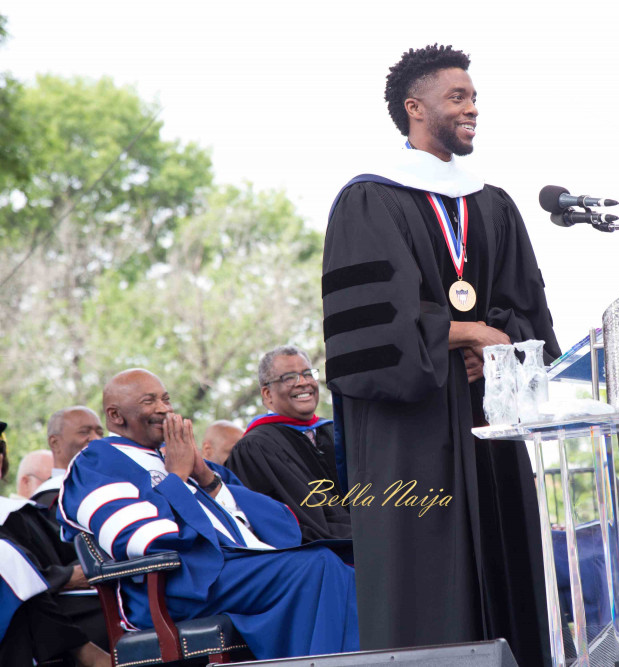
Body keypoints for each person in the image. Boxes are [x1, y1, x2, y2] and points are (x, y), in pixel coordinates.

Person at [323, 44, 560, 667]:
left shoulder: (491, 203)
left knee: (511, 579)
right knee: (427, 587)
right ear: (414, 108)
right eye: (458, 97)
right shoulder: (368, 200)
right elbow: (370, 334)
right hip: (412, 431)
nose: (473, 108)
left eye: (474, 97)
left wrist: (500, 342)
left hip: (488, 420)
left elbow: (524, 307)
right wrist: (463, 334)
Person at [58, 369, 359, 660]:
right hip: (178, 583)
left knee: (350, 566)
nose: (164, 409)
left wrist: (203, 475)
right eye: (149, 401)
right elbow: (145, 539)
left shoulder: (175, 455)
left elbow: (276, 518)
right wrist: (176, 476)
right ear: (115, 415)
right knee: (318, 566)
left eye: (166, 399)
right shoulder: (98, 462)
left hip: (229, 567)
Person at [0, 420, 110, 667]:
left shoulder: (19, 512)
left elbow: (65, 553)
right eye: (84, 429)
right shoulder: (50, 498)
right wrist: (66, 576)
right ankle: (87, 653)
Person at [225, 346, 351, 542]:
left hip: (364, 539)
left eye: (308, 374)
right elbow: (272, 523)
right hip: (317, 552)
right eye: (289, 377)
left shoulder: (334, 433)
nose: (303, 383)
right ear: (267, 394)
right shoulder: (254, 448)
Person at [32, 406, 104, 508]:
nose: (96, 439)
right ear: (55, 443)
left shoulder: (108, 490)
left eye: (100, 433)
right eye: (84, 432)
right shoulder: (48, 499)